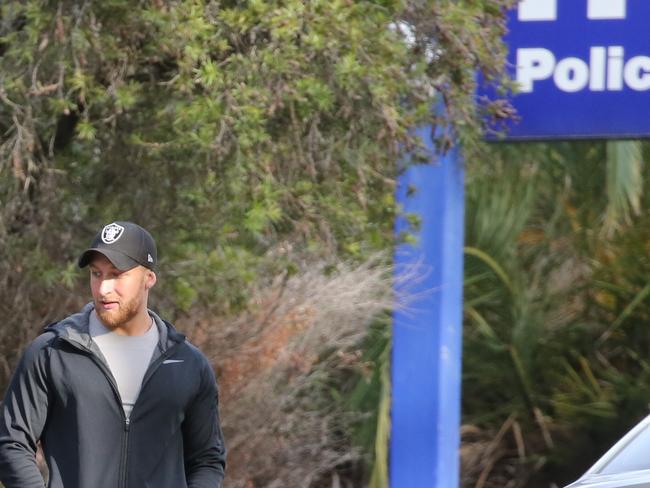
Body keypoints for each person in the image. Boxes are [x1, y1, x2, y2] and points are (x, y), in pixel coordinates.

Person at [0, 221, 226, 488]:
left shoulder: (188, 364)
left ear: (148, 278)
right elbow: (12, 443)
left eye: (117, 274)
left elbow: (207, 460)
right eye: (97, 274)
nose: (104, 289)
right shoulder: (52, 352)